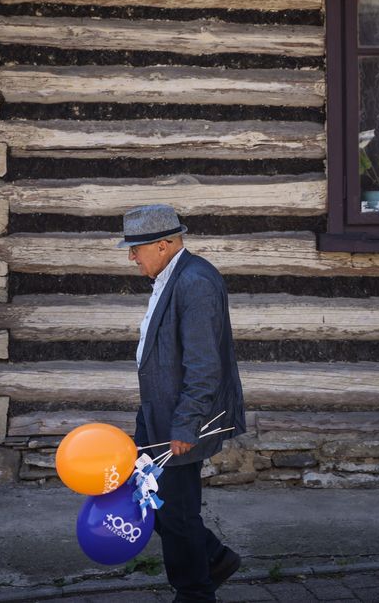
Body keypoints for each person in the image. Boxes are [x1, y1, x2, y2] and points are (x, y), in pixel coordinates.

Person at [118, 203, 246, 603]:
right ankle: (213, 557)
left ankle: (195, 593)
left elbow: (205, 364)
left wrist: (185, 425)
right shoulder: (170, 275)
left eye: (137, 248)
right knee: (145, 496)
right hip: (158, 413)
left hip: (182, 418)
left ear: (165, 243)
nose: (131, 256)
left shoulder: (195, 281)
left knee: (175, 511)